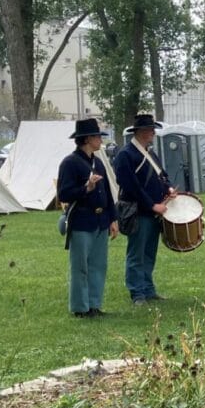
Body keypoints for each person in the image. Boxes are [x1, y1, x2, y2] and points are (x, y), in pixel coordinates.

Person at [57, 118, 117, 317]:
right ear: (87, 139)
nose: (100, 140)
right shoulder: (70, 163)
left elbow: (107, 193)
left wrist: (112, 219)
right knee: (80, 267)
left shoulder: (97, 162)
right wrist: (86, 188)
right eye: (97, 136)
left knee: (98, 265)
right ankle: (80, 307)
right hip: (82, 221)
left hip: (100, 221)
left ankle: (94, 304)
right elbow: (64, 194)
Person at [113, 114, 175, 305]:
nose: (153, 133)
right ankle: (137, 292)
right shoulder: (126, 155)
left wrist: (169, 189)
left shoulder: (150, 153)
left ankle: (148, 289)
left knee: (149, 253)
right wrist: (151, 205)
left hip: (154, 212)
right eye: (150, 130)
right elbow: (132, 187)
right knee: (136, 254)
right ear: (139, 132)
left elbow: (161, 176)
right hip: (139, 211)